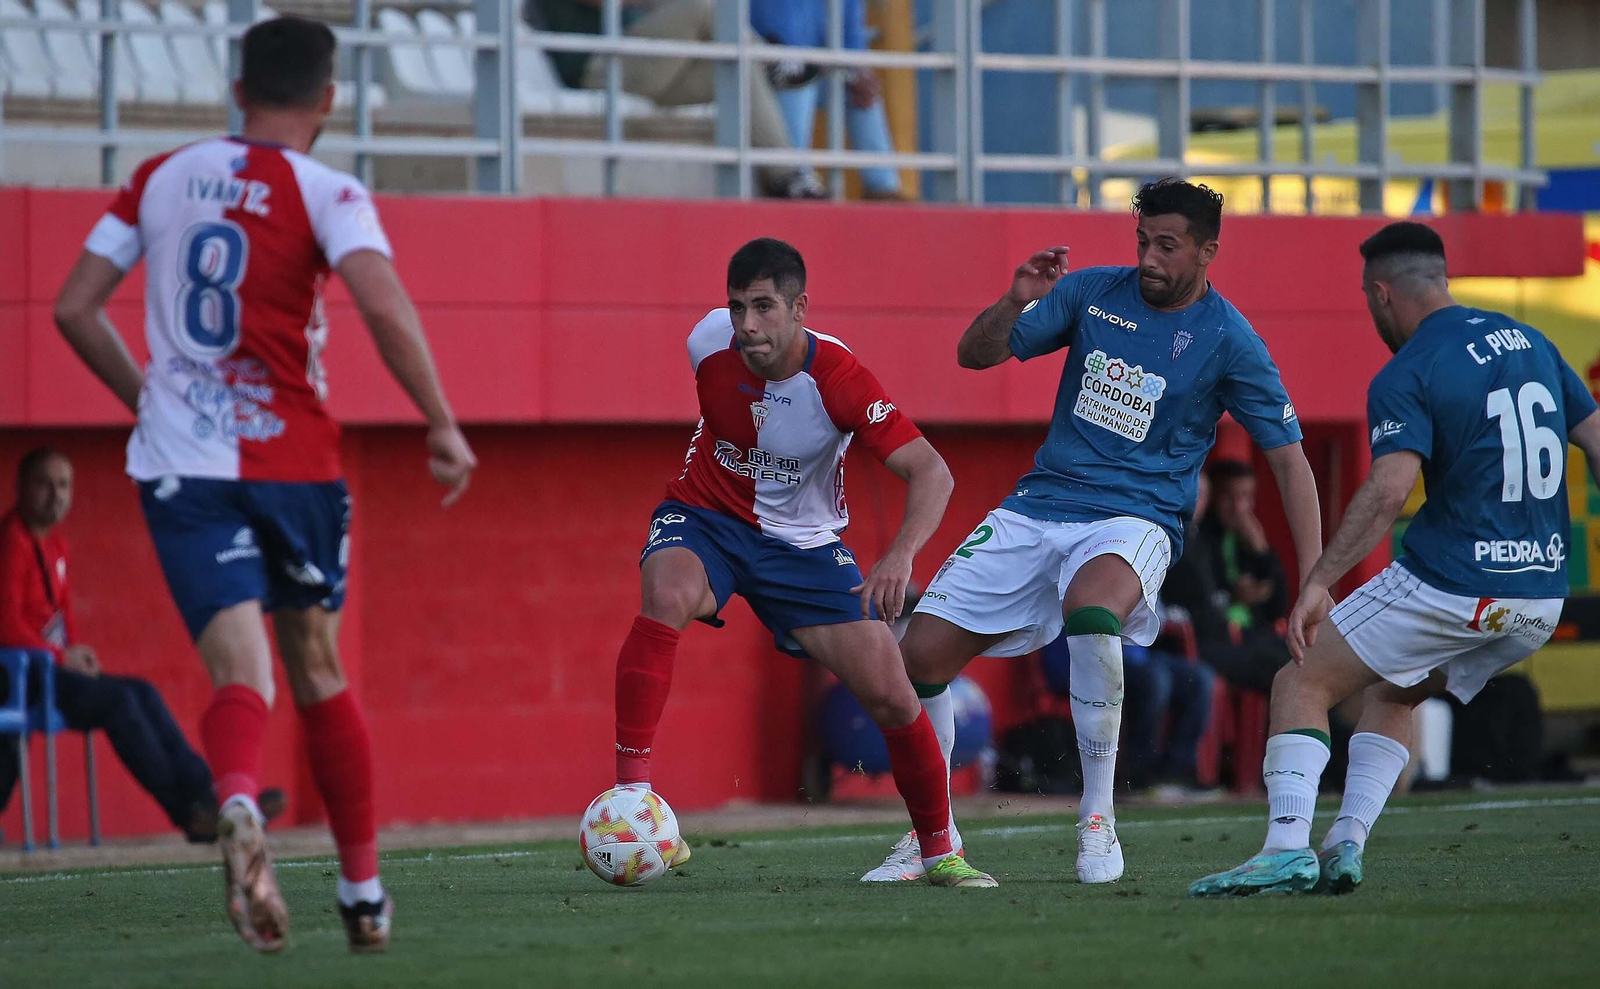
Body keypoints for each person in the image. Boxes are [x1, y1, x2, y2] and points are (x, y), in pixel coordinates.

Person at [50, 16, 477, 953]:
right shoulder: (327, 188)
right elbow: (378, 300)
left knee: (240, 672)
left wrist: (152, 398)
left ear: (237, 90)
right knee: (316, 666)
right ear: (328, 99)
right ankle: (363, 896)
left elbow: (74, 306)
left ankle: (238, 802)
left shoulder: (160, 175)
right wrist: (440, 421)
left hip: (181, 470)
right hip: (293, 465)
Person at [865, 178, 1327, 886]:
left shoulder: (1231, 340)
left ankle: (1097, 815)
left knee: (1091, 608)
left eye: (1167, 246)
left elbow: (1292, 463)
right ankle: (935, 836)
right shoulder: (1090, 294)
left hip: (1137, 516)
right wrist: (1018, 297)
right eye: (1142, 241)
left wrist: (1315, 580)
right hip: (1038, 506)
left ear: (1208, 250)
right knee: (918, 656)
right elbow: (975, 354)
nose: (1149, 258)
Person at [1189, 221, 1600, 897]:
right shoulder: (1532, 341)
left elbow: (1387, 491)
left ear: (1383, 294)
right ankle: (1344, 841)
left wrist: (1317, 581)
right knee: (1394, 687)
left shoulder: (1409, 369)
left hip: (1454, 580)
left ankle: (1284, 847)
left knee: (1299, 677)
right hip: (1539, 595)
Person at [612, 237, 995, 888]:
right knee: (667, 595)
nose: (748, 325)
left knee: (892, 692)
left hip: (807, 548)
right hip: (707, 518)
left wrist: (899, 555)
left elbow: (932, 471)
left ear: (799, 308)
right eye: (737, 308)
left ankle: (939, 850)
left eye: (764, 307)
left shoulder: (841, 380)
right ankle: (633, 802)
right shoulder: (707, 342)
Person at [0, 448, 285, 841]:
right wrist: (60, 657)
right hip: (22, 676)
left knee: (143, 692)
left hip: (53, 670)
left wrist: (76, 654)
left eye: (64, 485)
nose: (56, 494)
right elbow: (6, 624)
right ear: (20, 487)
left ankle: (211, 796)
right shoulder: (12, 541)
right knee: (119, 704)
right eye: (44, 484)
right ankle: (188, 813)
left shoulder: (57, 545)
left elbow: (60, 618)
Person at [534, 0, 825, 199]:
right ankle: (770, 61)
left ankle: (788, 178)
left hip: (644, 63)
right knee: (701, 6)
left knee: (738, 70)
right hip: (600, 65)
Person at [750, 0, 906, 200]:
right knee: (798, 81)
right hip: (764, 69)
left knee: (863, 93)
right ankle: (795, 180)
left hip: (816, 66)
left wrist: (857, 68)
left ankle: (883, 189)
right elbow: (780, 34)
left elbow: (851, 34)